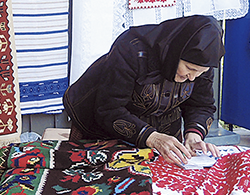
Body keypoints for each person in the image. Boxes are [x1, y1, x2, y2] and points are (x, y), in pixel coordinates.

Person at [63, 15, 225, 166]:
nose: (192, 78)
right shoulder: (131, 49)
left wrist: (193, 135)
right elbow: (109, 108)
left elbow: (201, 105)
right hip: (104, 126)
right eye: (189, 68)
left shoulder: (201, 66)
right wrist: (152, 137)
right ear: (175, 53)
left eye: (200, 72)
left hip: (162, 128)